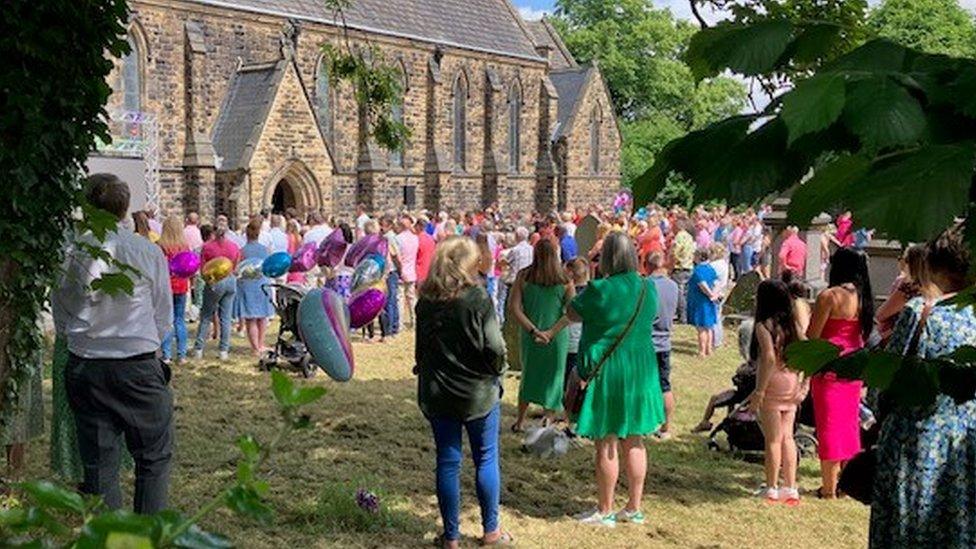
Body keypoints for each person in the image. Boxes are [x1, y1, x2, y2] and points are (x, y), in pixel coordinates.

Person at [51, 173, 173, 513]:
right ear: (125, 209)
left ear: (87, 209)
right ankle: (146, 535)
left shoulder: (72, 256)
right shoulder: (146, 251)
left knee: (100, 466)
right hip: (137, 364)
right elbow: (162, 314)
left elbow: (61, 314)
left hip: (88, 365)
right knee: (153, 460)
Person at [543, 232, 663, 527]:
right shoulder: (649, 288)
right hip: (640, 371)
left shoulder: (600, 289)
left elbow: (571, 312)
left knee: (606, 442)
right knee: (635, 439)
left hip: (607, 372)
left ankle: (605, 509)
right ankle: (633, 507)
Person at [870, 229, 976, 547]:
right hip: (967, 447)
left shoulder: (921, 314)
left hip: (916, 447)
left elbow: (886, 385)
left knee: (907, 534)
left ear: (933, 265)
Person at [415, 237, 511, 548]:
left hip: (438, 390)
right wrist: (499, 368)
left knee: (447, 460)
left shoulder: (425, 301)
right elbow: (494, 347)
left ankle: (452, 537)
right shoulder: (477, 299)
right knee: (486, 458)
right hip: (477, 392)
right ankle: (491, 531)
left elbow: (420, 350)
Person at [807, 246, 873, 498]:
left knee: (829, 426)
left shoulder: (830, 296)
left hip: (829, 367)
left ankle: (828, 488)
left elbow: (813, 336)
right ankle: (846, 483)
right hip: (853, 366)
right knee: (848, 426)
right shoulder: (862, 296)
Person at [747, 280, 806, 505]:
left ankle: (771, 486)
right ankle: (790, 486)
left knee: (772, 439)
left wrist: (759, 391)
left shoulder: (764, 326)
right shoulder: (793, 326)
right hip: (791, 382)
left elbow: (768, 358)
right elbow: (808, 348)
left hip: (773, 383)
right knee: (788, 437)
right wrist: (804, 383)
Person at [509, 239, 574, 431]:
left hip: (531, 336)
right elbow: (571, 311)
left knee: (528, 375)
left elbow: (514, 307)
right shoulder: (565, 279)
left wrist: (533, 330)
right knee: (554, 377)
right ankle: (548, 420)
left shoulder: (524, 276)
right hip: (557, 337)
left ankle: (520, 421)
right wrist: (551, 332)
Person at [194, 222, 241, 361]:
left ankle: (199, 348)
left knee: (206, 315)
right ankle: (223, 350)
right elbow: (237, 265)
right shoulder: (234, 247)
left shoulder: (207, 247)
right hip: (231, 280)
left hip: (215, 282)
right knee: (226, 317)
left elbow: (203, 269)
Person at [648, 253, 679, 440]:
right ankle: (666, 427)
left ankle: (644, 422)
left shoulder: (646, 285)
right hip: (665, 340)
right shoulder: (673, 286)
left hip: (647, 341)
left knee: (642, 384)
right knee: (664, 385)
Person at [236, 219, 274, 356]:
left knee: (250, 318)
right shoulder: (265, 250)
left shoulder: (242, 251)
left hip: (247, 285)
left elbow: (237, 269)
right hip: (262, 283)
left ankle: (255, 347)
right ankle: (261, 343)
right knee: (262, 316)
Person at [875, 244, 925, 346]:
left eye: (905, 260)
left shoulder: (909, 287)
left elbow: (880, 315)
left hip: (900, 339)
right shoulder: (934, 286)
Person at [158, 216, 191, 364]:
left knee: (166, 320)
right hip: (181, 285)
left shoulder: (161, 246)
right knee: (180, 320)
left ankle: (166, 354)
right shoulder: (184, 246)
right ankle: (182, 354)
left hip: (166, 285)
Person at [564, 258, 589, 402]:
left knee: (568, 379)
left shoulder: (566, 292)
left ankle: (568, 406)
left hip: (569, 341)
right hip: (584, 341)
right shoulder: (593, 292)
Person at [688, 249, 721, 358]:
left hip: (701, 302)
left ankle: (702, 352)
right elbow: (717, 282)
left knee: (701, 328)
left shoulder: (698, 270)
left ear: (698, 257)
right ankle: (709, 349)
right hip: (709, 302)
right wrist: (715, 294)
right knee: (709, 327)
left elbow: (703, 285)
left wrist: (710, 294)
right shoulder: (710, 268)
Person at [397, 214, 420, 329]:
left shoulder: (398, 239)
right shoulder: (415, 238)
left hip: (401, 270)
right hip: (411, 270)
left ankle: (400, 323)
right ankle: (415, 321)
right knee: (412, 298)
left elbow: (398, 256)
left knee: (400, 298)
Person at [671, 222, 695, 323]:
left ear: (677, 227)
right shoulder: (689, 236)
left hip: (680, 267)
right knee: (685, 293)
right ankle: (685, 316)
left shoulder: (679, 237)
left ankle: (682, 317)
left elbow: (675, 252)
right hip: (689, 266)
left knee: (679, 293)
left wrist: (671, 263)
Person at [415, 217, 436, 284]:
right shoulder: (431, 239)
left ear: (418, 226)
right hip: (429, 270)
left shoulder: (417, 239)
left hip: (419, 271)